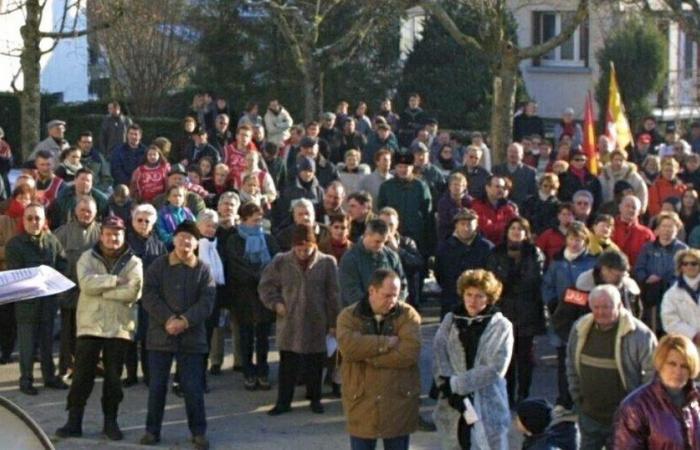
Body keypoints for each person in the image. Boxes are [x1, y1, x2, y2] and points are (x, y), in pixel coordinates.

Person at [55, 215, 143, 441]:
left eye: (117, 234)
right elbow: (85, 284)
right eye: (108, 233)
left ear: (123, 235)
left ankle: (110, 422)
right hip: (90, 326)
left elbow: (134, 292)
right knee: (81, 377)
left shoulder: (134, 262)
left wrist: (101, 287)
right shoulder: (87, 257)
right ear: (101, 234)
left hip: (119, 327)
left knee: (114, 379)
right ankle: (73, 421)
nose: (113, 238)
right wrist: (114, 281)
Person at [140, 221, 216, 449]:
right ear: (173, 240)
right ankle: (152, 431)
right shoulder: (158, 265)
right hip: (160, 337)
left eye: (190, 238)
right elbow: (149, 295)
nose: (185, 242)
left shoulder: (203, 269)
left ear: (196, 243)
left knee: (193, 388)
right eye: (181, 237)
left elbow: (207, 301)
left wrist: (185, 321)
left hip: (192, 339)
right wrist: (168, 319)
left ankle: (198, 432)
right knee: (157, 388)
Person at [259, 224, 340, 415]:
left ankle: (315, 399)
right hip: (290, 321)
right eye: (299, 249)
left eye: (307, 249)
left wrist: (333, 322)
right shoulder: (281, 261)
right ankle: (283, 402)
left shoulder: (327, 263)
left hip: (316, 320)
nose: (303, 253)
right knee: (288, 364)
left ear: (315, 245)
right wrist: (276, 304)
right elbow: (266, 286)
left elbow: (334, 294)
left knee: (315, 363)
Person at [337, 269, 421, 450]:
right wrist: (385, 343)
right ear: (372, 291)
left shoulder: (408, 315)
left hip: (398, 401)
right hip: (361, 400)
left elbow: (408, 353)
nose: (392, 301)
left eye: (395, 296)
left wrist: (368, 356)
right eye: (387, 295)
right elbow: (349, 348)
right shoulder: (348, 316)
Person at [566, 284, 657, 450]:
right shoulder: (579, 329)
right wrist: (576, 396)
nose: (601, 312)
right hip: (589, 416)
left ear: (620, 305)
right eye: (596, 307)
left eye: (606, 307)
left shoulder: (640, 334)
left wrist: (639, 409)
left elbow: (652, 374)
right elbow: (570, 363)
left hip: (625, 420)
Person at [433, 269, 513, 449]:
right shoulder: (451, 319)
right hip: (454, 403)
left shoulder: (501, 325)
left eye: (479, 296)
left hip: (487, 399)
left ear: (489, 298)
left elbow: (497, 367)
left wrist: (458, 384)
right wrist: (447, 385)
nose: (472, 300)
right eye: (469, 294)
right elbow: (439, 352)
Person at [6, 203, 68, 395]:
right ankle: (26, 380)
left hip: (48, 301)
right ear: (23, 221)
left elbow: (62, 262)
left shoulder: (52, 241)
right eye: (30, 218)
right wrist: (43, 278)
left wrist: (55, 281)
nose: (34, 222)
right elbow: (18, 274)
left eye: (38, 218)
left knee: (47, 342)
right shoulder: (15, 245)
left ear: (44, 221)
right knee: (27, 345)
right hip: (27, 303)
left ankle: (49, 377)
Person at [486, 217, 545, 405]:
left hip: (527, 310)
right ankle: (508, 393)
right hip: (504, 311)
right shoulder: (496, 252)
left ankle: (524, 393)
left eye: (521, 229)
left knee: (525, 357)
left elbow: (533, 279)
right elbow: (493, 281)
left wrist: (510, 281)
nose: (516, 232)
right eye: (513, 228)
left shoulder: (533, 252)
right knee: (506, 356)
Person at [541, 221, 596, 410]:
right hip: (561, 318)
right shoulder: (557, 262)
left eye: (579, 239)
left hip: (584, 316)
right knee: (563, 360)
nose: (575, 243)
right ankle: (563, 398)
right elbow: (547, 285)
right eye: (572, 239)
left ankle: (582, 399)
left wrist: (574, 299)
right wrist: (553, 302)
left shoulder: (592, 262)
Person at [225, 203, 279, 390]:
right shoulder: (234, 240)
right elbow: (235, 266)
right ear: (244, 219)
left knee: (263, 336)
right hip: (243, 294)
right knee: (246, 335)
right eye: (254, 219)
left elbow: (275, 261)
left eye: (260, 218)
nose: (258, 222)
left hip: (264, 295)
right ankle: (248, 372)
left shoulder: (268, 239)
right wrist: (257, 276)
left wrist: (265, 279)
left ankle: (263, 372)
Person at [613, 334, 700, 448]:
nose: (677, 371)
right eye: (672, 364)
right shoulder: (636, 406)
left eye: (684, 366)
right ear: (660, 364)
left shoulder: (696, 401)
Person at [54, 196, 101, 379]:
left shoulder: (102, 233)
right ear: (75, 211)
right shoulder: (62, 233)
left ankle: (93, 364)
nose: (85, 214)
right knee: (68, 333)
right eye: (82, 210)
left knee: (92, 332)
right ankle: (66, 367)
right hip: (69, 292)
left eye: (89, 211)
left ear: (95, 213)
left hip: (93, 292)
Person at [123, 204, 168, 387]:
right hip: (130, 297)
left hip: (151, 299)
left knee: (150, 339)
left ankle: (150, 375)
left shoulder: (159, 244)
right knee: (130, 338)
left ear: (153, 224)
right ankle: (131, 375)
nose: (142, 224)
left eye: (147, 221)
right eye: (139, 220)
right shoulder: (124, 243)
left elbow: (165, 271)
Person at [435, 208, 494, 318]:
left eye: (470, 224)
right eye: (462, 224)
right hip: (451, 300)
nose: (466, 228)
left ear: (476, 225)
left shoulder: (486, 248)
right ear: (456, 226)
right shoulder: (445, 248)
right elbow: (439, 273)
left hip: (480, 303)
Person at [634, 211, 688, 332]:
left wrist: (668, 282)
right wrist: (646, 278)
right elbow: (639, 268)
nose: (667, 229)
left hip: (673, 295)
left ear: (677, 229)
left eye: (671, 226)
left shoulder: (683, 250)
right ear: (657, 229)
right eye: (664, 226)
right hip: (649, 294)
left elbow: (686, 273)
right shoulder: (647, 247)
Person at [339, 218, 407, 306]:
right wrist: (373, 308)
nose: (381, 246)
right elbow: (351, 291)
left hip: (389, 311)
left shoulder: (391, 256)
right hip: (359, 313)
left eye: (384, 242)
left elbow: (402, 284)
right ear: (367, 235)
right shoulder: (350, 259)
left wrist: (396, 304)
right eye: (377, 241)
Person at [379, 207, 424, 307]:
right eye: (383, 224)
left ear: (397, 225)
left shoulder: (407, 242)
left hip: (405, 297)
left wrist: (398, 250)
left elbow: (418, 264)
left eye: (391, 224)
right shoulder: (373, 244)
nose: (387, 228)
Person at [660, 248, 700, 343]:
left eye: (694, 263)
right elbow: (669, 321)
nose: (689, 266)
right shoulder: (671, 294)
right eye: (685, 264)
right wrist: (694, 336)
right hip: (686, 346)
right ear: (680, 267)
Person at [470, 174, 519, 245]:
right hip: (484, 247)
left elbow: (516, 226)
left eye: (502, 187)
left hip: (505, 246)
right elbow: (486, 230)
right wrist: (507, 227)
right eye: (497, 187)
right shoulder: (477, 205)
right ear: (487, 188)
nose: (501, 190)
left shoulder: (509, 206)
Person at [598, 149, 648, 213]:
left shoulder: (632, 175)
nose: (618, 163)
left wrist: (640, 209)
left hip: (628, 210)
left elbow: (642, 191)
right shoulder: (604, 175)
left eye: (621, 160)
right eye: (616, 160)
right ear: (611, 160)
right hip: (608, 210)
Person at [613, 195, 655, 267]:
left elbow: (652, 258)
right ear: (620, 207)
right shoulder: (609, 228)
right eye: (627, 206)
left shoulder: (646, 234)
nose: (630, 210)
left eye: (634, 208)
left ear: (638, 212)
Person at [493, 142, 538, 208]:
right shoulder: (497, 169)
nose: (512, 154)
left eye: (516, 152)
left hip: (522, 209)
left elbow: (533, 193)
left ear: (522, 155)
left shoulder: (530, 172)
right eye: (510, 151)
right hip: (501, 208)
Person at [436, 172, 472, 241]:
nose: (457, 187)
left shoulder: (470, 202)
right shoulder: (443, 202)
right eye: (455, 184)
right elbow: (444, 222)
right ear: (450, 186)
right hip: (448, 235)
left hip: (467, 235)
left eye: (459, 185)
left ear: (464, 187)